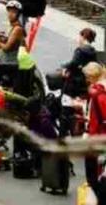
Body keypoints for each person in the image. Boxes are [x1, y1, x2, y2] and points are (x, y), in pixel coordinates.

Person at [85, 62, 106, 203]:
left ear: (92, 77)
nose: (86, 80)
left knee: (94, 178)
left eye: (87, 77)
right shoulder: (99, 93)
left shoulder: (98, 95)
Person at [0, 1, 26, 87]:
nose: (11, 14)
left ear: (18, 14)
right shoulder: (11, 26)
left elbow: (7, 47)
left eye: (14, 12)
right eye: (9, 11)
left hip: (10, 63)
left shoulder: (17, 29)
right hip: (5, 60)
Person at [62, 28, 99, 97]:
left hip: (78, 80)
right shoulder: (93, 51)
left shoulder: (80, 50)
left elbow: (74, 63)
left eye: (79, 37)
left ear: (83, 37)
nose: (78, 39)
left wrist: (65, 67)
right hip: (88, 78)